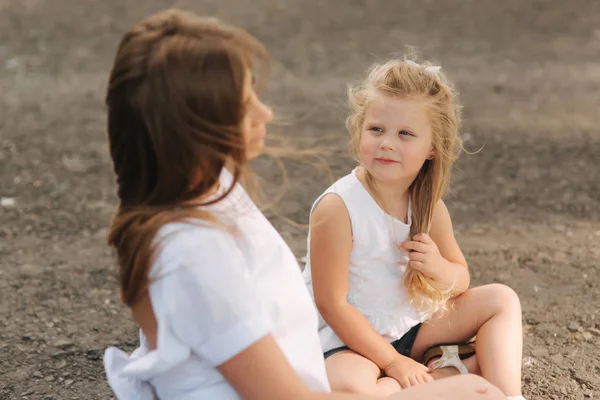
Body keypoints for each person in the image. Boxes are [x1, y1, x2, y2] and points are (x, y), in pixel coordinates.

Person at [101, 8, 506, 400]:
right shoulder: (196, 256)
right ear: (196, 127)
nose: (267, 112)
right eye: (245, 103)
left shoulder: (204, 187)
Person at [303, 58, 526, 400]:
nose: (387, 143)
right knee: (347, 388)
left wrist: (438, 268)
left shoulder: (428, 205)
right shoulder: (338, 207)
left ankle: (508, 395)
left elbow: (461, 279)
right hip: (348, 337)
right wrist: (393, 363)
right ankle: (444, 375)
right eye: (376, 129)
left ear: (432, 148)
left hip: (410, 327)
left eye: (405, 134)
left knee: (501, 299)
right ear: (359, 130)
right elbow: (332, 304)